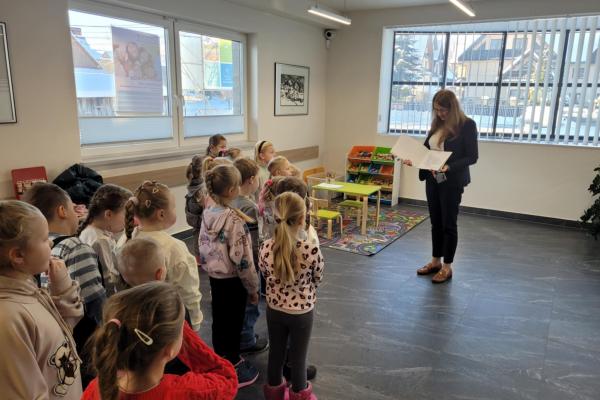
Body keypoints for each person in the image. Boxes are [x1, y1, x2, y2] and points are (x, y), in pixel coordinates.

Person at [81, 282, 238, 400]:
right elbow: (227, 378)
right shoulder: (187, 391)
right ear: (169, 348)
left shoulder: (97, 389)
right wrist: (185, 331)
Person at [0, 200, 84, 399]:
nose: (51, 243)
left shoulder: (29, 292)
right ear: (18, 255)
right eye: (45, 239)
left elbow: (62, 335)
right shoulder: (8, 318)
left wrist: (63, 288)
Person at [403, 89, 479, 284]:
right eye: (436, 110)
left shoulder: (467, 125)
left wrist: (449, 167)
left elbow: (472, 157)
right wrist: (413, 159)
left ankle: (447, 267)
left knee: (448, 224)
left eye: (443, 110)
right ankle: (435, 261)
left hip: (451, 180)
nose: (440, 113)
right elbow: (426, 150)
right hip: (433, 178)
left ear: (453, 108)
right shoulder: (436, 124)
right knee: (435, 222)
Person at [199, 164, 260, 388]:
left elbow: (202, 245)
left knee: (220, 319)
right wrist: (253, 288)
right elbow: (244, 260)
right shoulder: (235, 221)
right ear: (233, 190)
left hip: (214, 278)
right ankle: (232, 365)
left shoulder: (207, 212)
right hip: (234, 281)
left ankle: (220, 358)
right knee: (234, 323)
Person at [259, 192, 324, 400]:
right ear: (302, 219)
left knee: (275, 355)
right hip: (302, 313)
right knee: (298, 358)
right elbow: (318, 278)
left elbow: (265, 274)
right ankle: (300, 394)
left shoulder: (265, 247)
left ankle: (274, 393)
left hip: (274, 310)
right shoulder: (311, 250)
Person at [124, 181, 203, 331]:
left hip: (136, 319)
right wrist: (195, 321)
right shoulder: (175, 248)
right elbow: (188, 291)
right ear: (161, 214)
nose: (175, 209)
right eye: (173, 207)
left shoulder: (125, 240)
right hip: (169, 320)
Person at [232, 158, 269, 355]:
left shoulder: (228, 200)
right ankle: (247, 340)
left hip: (231, 263)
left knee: (238, 303)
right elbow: (252, 243)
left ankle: (238, 335)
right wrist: (257, 266)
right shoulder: (248, 206)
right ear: (252, 180)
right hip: (248, 263)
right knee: (250, 304)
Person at [78, 183, 132, 294]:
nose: (128, 220)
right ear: (108, 214)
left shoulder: (88, 230)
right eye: (126, 215)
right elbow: (110, 279)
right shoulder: (101, 240)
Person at [185, 155, 205, 263]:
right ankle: (200, 258)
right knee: (199, 233)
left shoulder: (192, 184)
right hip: (197, 214)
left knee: (197, 233)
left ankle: (198, 258)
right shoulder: (200, 187)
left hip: (193, 213)